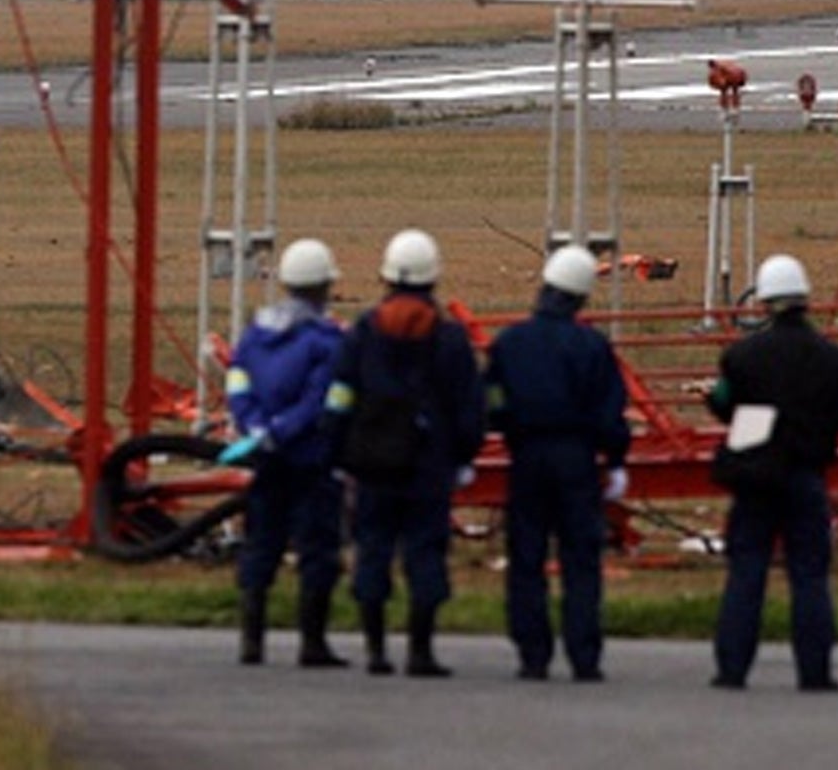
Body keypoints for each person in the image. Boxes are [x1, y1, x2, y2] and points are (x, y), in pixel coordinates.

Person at [706, 253, 838, 693]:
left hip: (756, 474)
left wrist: (756, 420)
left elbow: (722, 403)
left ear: (763, 301)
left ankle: (732, 668)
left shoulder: (742, 357)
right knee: (810, 575)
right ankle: (815, 672)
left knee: (747, 571)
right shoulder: (833, 359)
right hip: (806, 473)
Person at [326, 228, 484, 678]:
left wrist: (337, 451)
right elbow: (467, 406)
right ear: (433, 278)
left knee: (372, 548)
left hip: (372, 462)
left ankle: (375, 648)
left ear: (387, 276)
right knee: (426, 552)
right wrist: (465, 456)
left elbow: (340, 396)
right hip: (429, 464)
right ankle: (420, 650)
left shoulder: (363, 332)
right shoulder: (450, 339)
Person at [483, 243, 631, 683]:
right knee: (581, 559)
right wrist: (617, 459)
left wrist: (505, 425)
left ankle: (533, 654)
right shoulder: (591, 347)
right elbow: (610, 411)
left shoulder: (510, 343)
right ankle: (584, 656)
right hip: (576, 461)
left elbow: (490, 398)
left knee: (526, 557)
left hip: (526, 457)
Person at [221, 237, 349, 668]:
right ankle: (312, 642)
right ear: (323, 287)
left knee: (262, 542)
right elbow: (324, 397)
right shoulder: (326, 339)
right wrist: (285, 430)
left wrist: (255, 428)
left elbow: (237, 381)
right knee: (317, 547)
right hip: (310, 458)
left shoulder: (258, 333)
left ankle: (250, 640)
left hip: (265, 455)